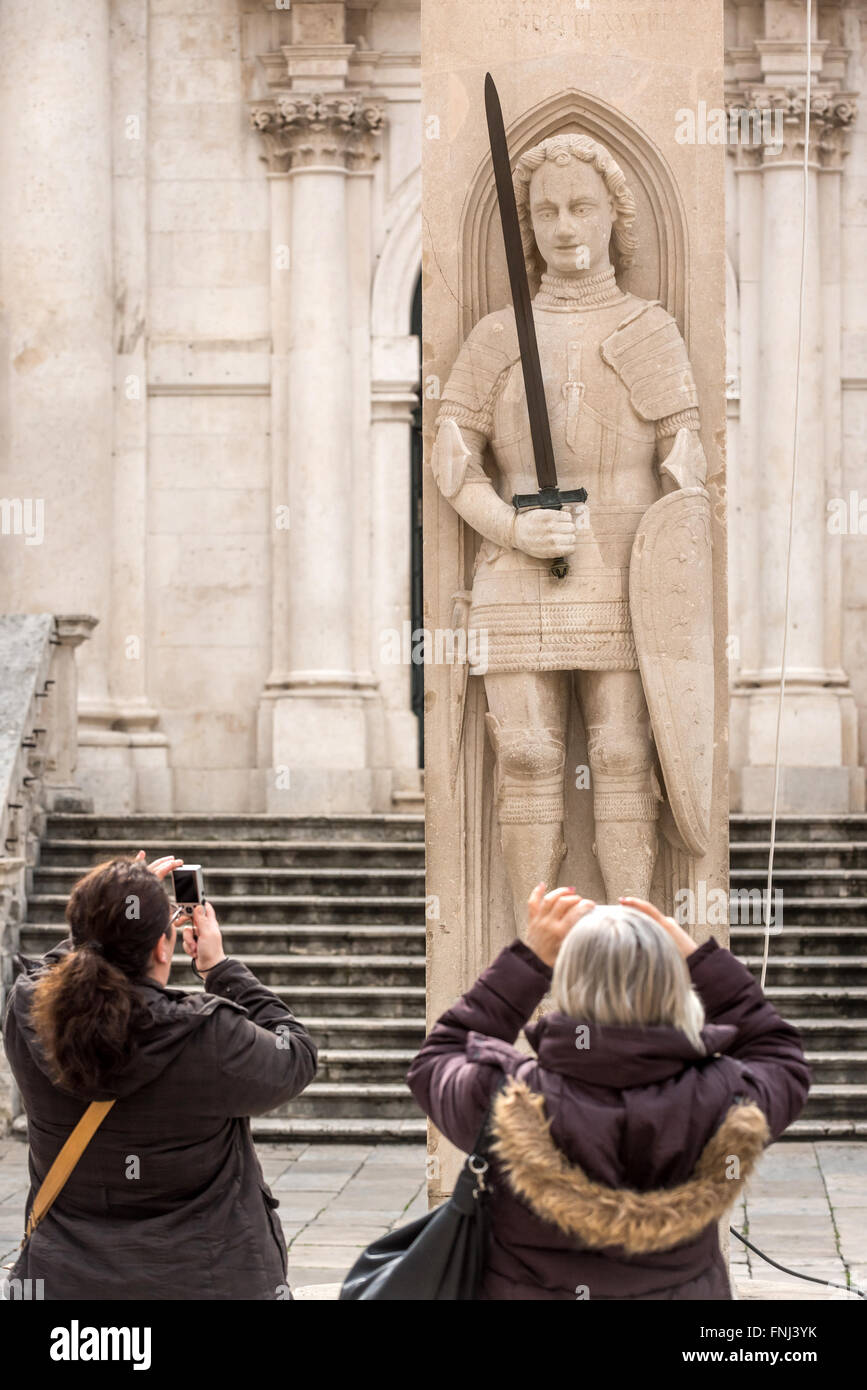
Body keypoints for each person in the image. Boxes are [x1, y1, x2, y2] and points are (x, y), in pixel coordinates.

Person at [407, 887, 810, 1300]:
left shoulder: (504, 1099)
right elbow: (779, 1054)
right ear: (676, 985)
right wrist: (698, 958)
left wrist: (529, 961)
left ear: (565, 982)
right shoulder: (724, 1099)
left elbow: (438, 1056)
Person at [3, 852, 317, 1300]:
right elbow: (297, 1052)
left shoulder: (27, 1014)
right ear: (162, 946)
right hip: (205, 1280)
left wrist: (110, 911)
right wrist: (220, 968)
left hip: (68, 1288)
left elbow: (49, 973)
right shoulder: (209, 1035)